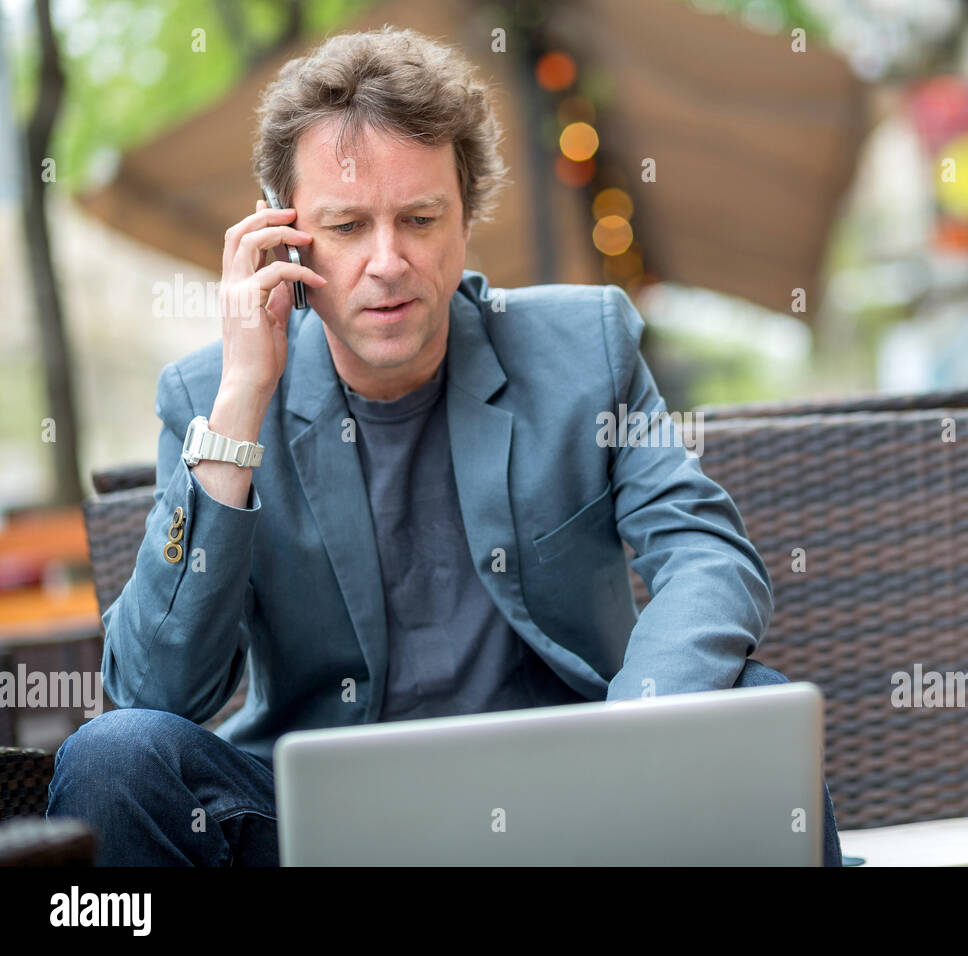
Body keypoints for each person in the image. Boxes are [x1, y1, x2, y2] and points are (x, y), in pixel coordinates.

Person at [46, 26, 842, 866]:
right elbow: (154, 692)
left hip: (578, 802)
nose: (387, 262)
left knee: (749, 704)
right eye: (347, 226)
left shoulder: (584, 347)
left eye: (419, 219)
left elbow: (707, 554)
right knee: (114, 759)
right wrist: (242, 400)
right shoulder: (215, 398)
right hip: (321, 828)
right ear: (284, 234)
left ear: (467, 217)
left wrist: (640, 724)